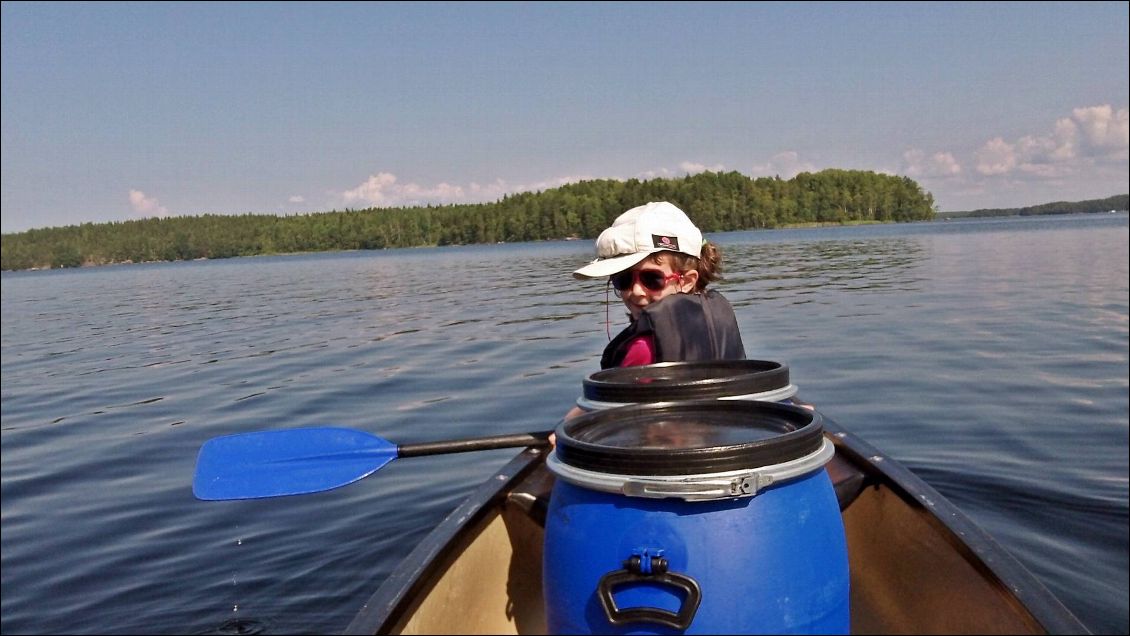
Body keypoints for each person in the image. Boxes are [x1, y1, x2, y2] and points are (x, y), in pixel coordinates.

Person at [562, 201, 746, 420]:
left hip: (665, 449)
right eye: (623, 279)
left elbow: (598, 410)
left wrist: (564, 427)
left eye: (652, 279)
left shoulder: (643, 348)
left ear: (686, 280)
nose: (637, 291)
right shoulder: (714, 317)